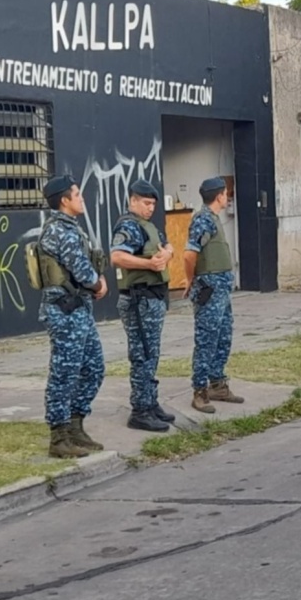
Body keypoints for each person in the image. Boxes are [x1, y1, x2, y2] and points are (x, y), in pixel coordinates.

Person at [37, 175, 108, 458]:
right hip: (64, 310)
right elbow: (80, 270)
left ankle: (76, 425)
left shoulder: (70, 228)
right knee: (64, 372)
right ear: (64, 200)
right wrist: (99, 283)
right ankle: (59, 436)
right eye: (77, 194)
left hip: (79, 309)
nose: (82, 198)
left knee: (94, 367)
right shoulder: (59, 230)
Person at [110, 180, 176, 432]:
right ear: (133, 200)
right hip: (139, 299)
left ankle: (150, 402)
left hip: (152, 297)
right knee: (143, 354)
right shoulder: (128, 225)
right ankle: (140, 410)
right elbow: (117, 256)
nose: (150, 208)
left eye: (153, 204)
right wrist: (150, 265)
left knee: (152, 353)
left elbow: (166, 243)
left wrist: (167, 254)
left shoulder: (147, 226)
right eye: (146, 203)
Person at [183, 177, 243, 413]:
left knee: (223, 335)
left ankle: (217, 383)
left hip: (221, 291)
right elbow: (189, 254)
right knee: (207, 339)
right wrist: (190, 280)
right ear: (219, 196)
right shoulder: (203, 220)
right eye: (225, 193)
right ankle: (199, 391)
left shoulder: (213, 220)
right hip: (209, 289)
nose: (227, 197)